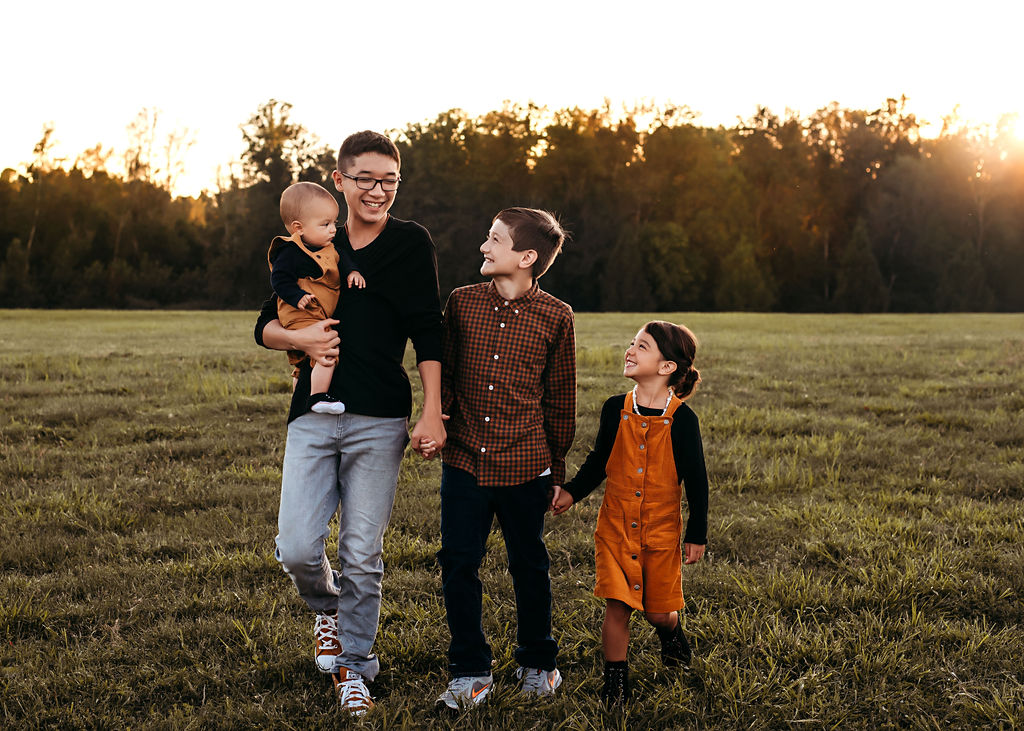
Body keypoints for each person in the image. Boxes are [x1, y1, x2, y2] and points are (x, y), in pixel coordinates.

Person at [253, 131, 446, 716]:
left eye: (390, 180)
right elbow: (265, 325)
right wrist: (304, 338)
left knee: (362, 552)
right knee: (296, 548)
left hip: (380, 416)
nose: (378, 191)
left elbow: (428, 328)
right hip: (311, 415)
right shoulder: (312, 241)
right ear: (339, 180)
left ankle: (355, 666)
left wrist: (432, 408)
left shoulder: (409, 243)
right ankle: (328, 610)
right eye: (365, 179)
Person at [424, 208, 576, 711]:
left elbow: (560, 399)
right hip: (465, 461)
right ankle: (470, 670)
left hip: (525, 465)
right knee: (458, 563)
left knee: (528, 564)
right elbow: (445, 373)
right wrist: (438, 418)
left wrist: (555, 469)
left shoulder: (557, 316)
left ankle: (538, 662)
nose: (484, 247)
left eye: (494, 239)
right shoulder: (462, 302)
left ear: (526, 257)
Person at [551, 320, 709, 706]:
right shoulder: (615, 409)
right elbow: (598, 461)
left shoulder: (682, 421)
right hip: (616, 527)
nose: (630, 350)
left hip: (660, 532)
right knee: (617, 605)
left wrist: (697, 534)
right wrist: (572, 492)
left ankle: (670, 632)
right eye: (632, 343)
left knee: (657, 612)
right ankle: (616, 683)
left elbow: (697, 482)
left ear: (667, 366)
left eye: (642, 346)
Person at [268, 181, 365, 414]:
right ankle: (318, 396)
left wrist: (352, 272)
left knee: (303, 363)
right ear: (298, 228)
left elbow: (343, 260)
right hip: (300, 313)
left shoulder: (329, 248)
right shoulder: (290, 252)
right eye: (325, 224)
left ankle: (300, 397)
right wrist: (297, 296)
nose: (333, 230)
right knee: (327, 346)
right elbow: (279, 279)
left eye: (334, 223)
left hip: (316, 313)